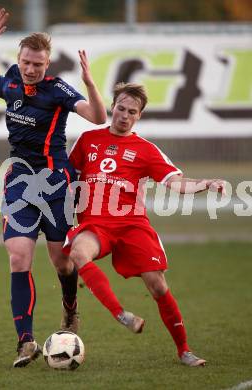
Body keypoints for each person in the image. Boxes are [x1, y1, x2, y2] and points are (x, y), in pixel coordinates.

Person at [63, 82, 226, 367]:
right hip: (95, 224)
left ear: (139, 116)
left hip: (131, 225)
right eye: (121, 108)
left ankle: (184, 350)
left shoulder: (146, 149)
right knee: (78, 253)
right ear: (112, 107)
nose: (124, 115)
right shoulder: (87, 140)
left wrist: (207, 183)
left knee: (158, 286)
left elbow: (174, 182)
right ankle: (121, 314)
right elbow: (65, 176)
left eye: (132, 112)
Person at [0, 8, 107, 367]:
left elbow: (98, 118)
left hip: (56, 185)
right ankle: (25, 341)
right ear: (19, 59)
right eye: (25, 61)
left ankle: (70, 308)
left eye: (37, 64)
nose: (30, 68)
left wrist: (90, 83)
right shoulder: (13, 82)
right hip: (19, 182)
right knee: (18, 257)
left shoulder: (57, 90)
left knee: (62, 262)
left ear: (47, 64)